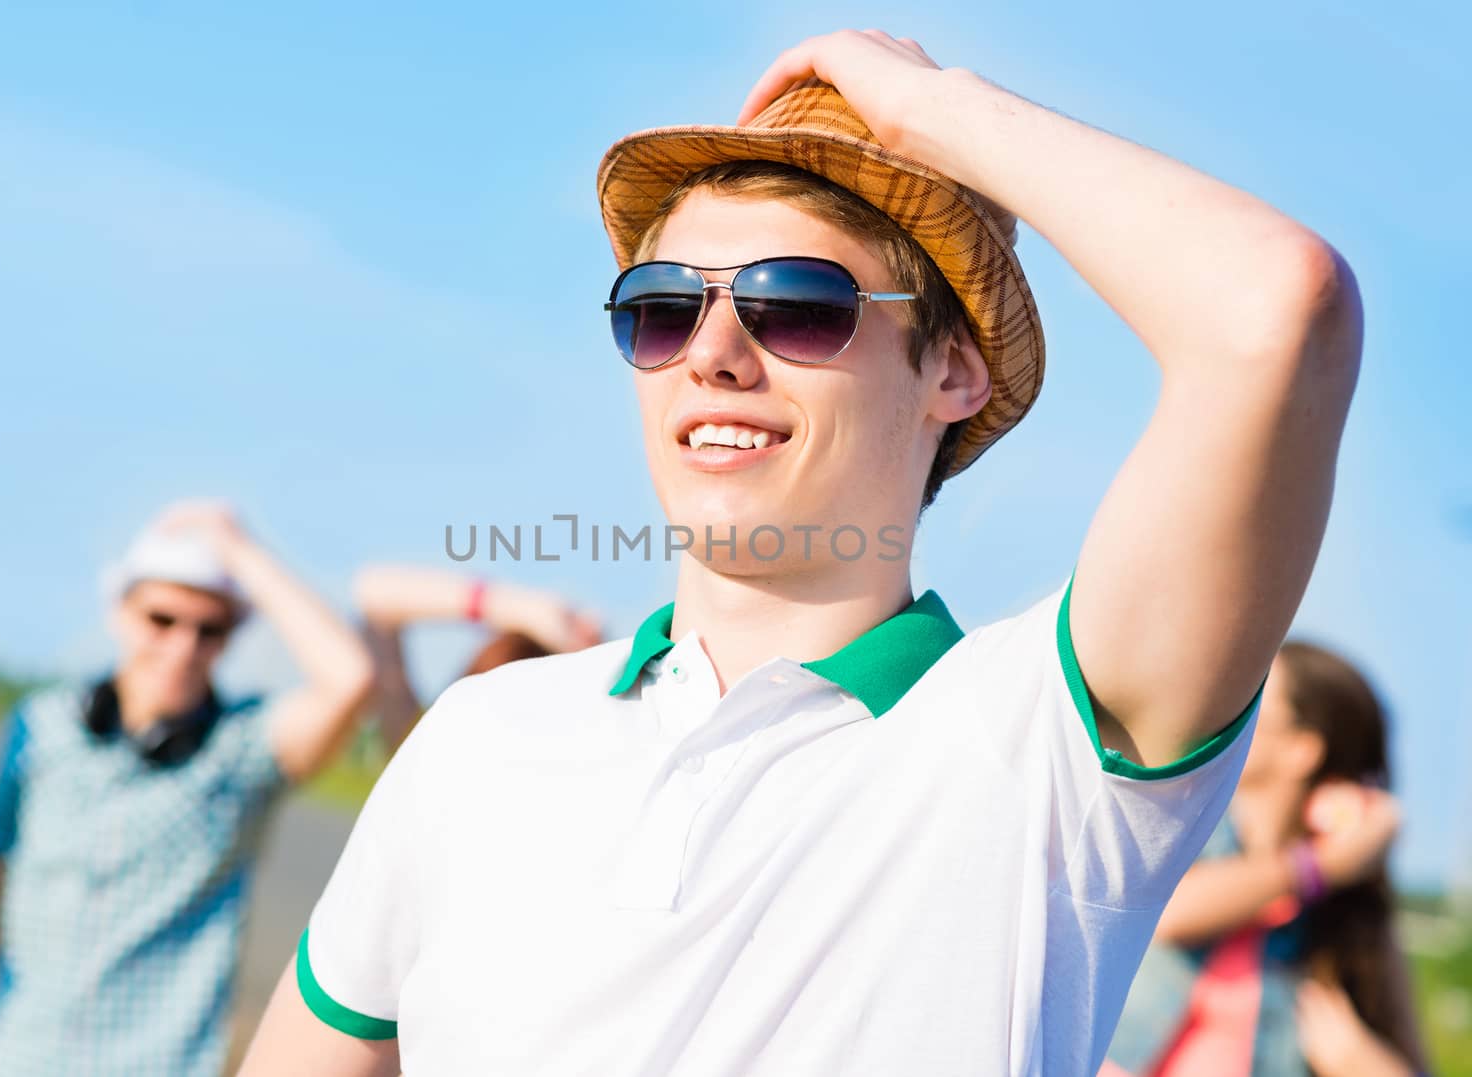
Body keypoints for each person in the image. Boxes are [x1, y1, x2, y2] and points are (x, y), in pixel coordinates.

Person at [240, 29, 1363, 1076]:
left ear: (951, 371)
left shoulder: (1049, 743)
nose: (714, 352)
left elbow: (1274, 309)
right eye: (663, 307)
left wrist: (932, 113)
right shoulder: (478, 741)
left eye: (797, 304)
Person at [0, 502, 375, 1077]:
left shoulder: (244, 750)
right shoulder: (39, 726)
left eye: (211, 629)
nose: (183, 647)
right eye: (162, 619)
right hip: (13, 1058)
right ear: (119, 611)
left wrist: (237, 547)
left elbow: (351, 678)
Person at [1103, 642, 1429, 1076]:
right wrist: (1324, 864)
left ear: (1302, 750)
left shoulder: (1349, 918)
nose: (1222, 707)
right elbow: (1172, 912)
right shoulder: (1182, 833)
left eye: (1251, 698)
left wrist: (1361, 1063)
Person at [351, 566, 602, 748]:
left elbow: (373, 590)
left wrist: (523, 608)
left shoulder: (433, 749)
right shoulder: (437, 748)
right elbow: (372, 591)